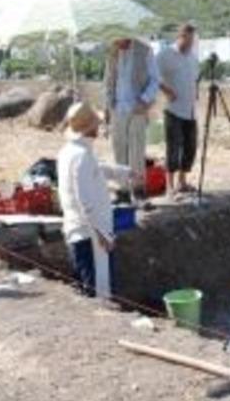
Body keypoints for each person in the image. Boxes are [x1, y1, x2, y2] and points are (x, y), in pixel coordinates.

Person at [57, 102, 132, 298]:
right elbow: (85, 201)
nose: (99, 127)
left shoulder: (71, 152)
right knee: (99, 293)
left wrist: (126, 173)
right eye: (96, 124)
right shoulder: (81, 156)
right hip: (89, 234)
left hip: (83, 232)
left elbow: (98, 169)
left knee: (90, 288)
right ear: (89, 127)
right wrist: (102, 235)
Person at [104, 37, 159, 199]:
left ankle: (139, 188)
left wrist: (145, 99)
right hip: (117, 109)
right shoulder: (112, 52)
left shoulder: (145, 51)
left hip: (138, 108)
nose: (118, 42)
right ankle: (123, 190)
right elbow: (107, 81)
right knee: (119, 149)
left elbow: (155, 80)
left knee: (137, 150)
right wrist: (108, 106)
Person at [156, 24, 200, 196]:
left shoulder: (193, 57)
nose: (189, 44)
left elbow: (195, 78)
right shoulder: (165, 55)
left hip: (190, 110)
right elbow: (154, 74)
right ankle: (170, 186)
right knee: (173, 148)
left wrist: (195, 92)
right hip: (173, 109)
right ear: (180, 36)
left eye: (192, 40)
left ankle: (183, 182)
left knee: (190, 147)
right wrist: (166, 90)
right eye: (187, 39)